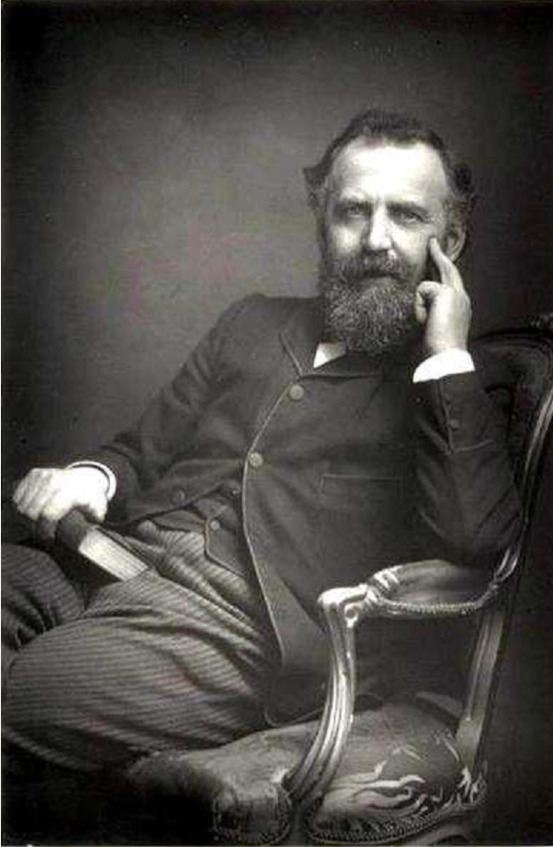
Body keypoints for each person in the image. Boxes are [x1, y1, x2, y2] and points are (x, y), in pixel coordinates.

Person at [3, 109, 521, 776]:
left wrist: (445, 355)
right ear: (321, 220)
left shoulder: (456, 383)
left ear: (449, 238)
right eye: (353, 211)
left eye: (406, 215)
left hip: (234, 632)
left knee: (22, 700)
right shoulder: (250, 322)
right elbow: (140, 451)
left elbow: (475, 540)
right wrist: (90, 477)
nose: (376, 239)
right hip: (103, 558)